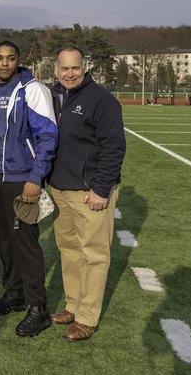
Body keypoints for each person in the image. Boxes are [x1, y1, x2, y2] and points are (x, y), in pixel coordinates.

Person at [0, 41, 58, 337]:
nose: (4, 63)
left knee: (25, 243)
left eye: (10, 58)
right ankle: (14, 294)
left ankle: (39, 308)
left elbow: (48, 134)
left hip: (22, 177)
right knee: (4, 240)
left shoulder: (32, 89)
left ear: (18, 61)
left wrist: (36, 177)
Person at [49, 47, 126, 341]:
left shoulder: (102, 100)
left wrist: (101, 188)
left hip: (89, 193)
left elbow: (114, 147)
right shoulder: (54, 97)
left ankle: (87, 318)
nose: (70, 73)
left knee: (94, 255)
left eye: (75, 68)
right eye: (65, 68)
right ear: (56, 70)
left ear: (85, 67)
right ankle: (73, 305)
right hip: (60, 190)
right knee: (69, 251)